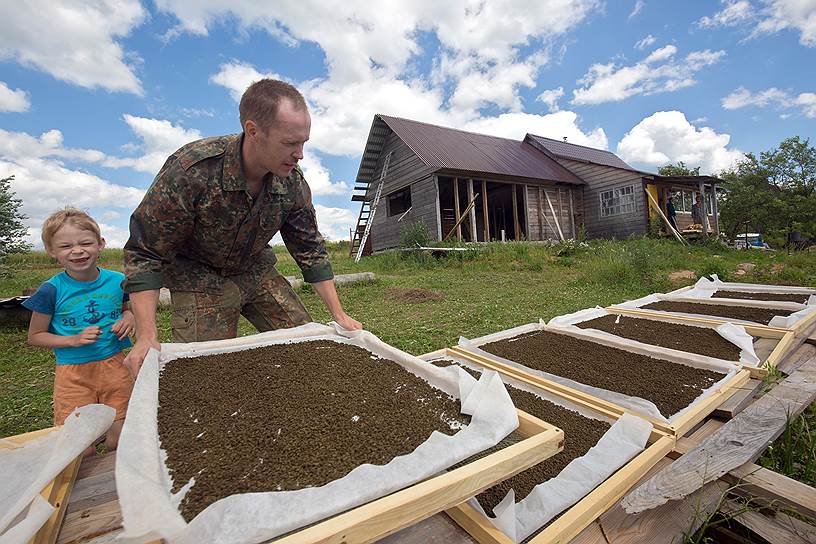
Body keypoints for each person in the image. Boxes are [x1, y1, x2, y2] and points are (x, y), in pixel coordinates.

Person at [122, 79, 362, 376]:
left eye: (303, 143)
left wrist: (338, 314)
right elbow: (146, 252)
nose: (300, 154)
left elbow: (310, 249)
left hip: (254, 270)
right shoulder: (192, 170)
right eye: (289, 143)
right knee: (202, 374)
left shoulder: (292, 183)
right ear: (253, 131)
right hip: (199, 278)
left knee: (309, 346)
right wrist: (147, 335)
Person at [24, 208, 135, 455]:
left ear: (101, 244)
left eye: (86, 242)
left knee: (120, 441)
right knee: (82, 448)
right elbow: (35, 336)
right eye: (65, 246)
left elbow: (127, 309)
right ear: (51, 251)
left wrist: (129, 317)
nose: (77, 250)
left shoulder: (118, 281)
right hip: (74, 375)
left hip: (116, 366)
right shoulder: (50, 291)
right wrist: (72, 339)